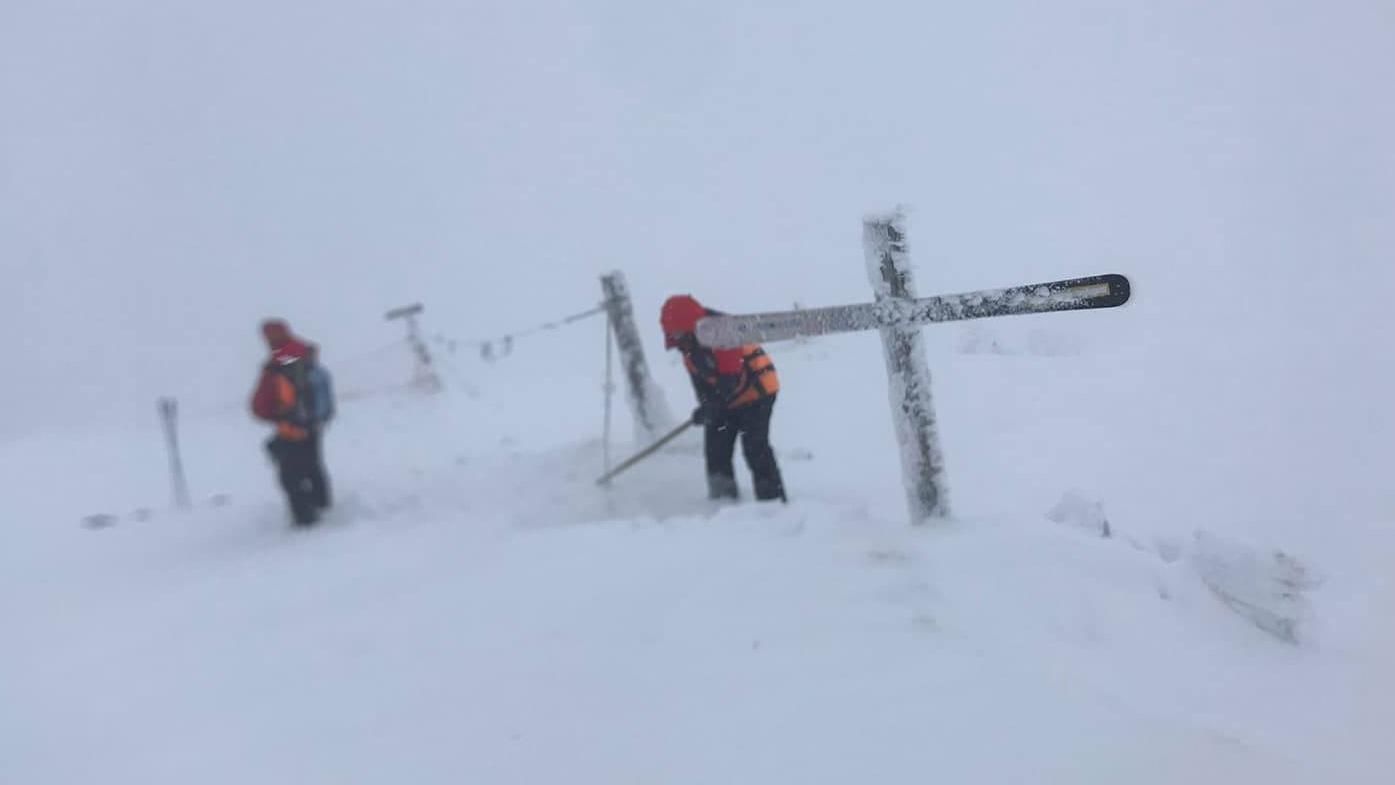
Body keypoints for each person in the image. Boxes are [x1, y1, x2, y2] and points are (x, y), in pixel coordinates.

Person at [660, 295, 787, 503]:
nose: (674, 334)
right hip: (725, 398)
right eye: (671, 330)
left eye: (678, 329)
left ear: (691, 325)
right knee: (716, 450)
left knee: (755, 448)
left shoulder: (723, 331)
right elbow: (701, 383)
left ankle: (772, 502)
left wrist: (713, 406)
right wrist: (705, 407)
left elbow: (730, 379)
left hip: (757, 392)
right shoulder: (686, 345)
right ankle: (722, 502)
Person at [250, 320, 323, 526]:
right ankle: (322, 504)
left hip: (291, 426)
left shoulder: (282, 360)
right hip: (311, 424)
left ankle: (306, 520)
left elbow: (268, 399)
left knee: (290, 476)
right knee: (312, 466)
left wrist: (271, 412)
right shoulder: (303, 354)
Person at [303, 343, 335, 511]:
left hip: (316, 423)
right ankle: (313, 497)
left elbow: (328, 396)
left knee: (314, 461)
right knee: (306, 462)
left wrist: (328, 414)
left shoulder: (321, 374)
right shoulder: (300, 376)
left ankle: (322, 499)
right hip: (302, 423)